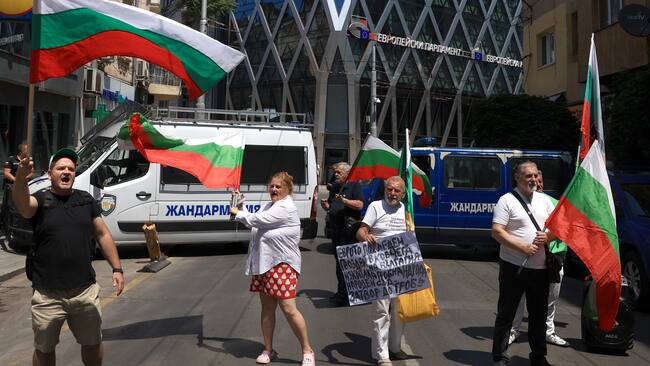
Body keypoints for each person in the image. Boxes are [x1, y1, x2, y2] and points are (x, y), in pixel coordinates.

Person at [12, 147, 125, 366]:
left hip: (84, 291)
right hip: (47, 295)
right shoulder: (41, 201)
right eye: (61, 168)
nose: (66, 172)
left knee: (92, 343)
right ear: (50, 173)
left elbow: (102, 234)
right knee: (44, 349)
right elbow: (23, 205)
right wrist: (20, 179)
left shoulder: (86, 201)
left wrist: (117, 269)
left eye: (71, 169)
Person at [231, 171, 315, 366]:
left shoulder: (285, 207)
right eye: (272, 186)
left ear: (287, 190)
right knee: (267, 309)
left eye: (279, 186)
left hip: (283, 264)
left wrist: (237, 212)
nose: (274, 189)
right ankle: (268, 350)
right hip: (264, 264)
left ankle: (307, 350)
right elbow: (255, 221)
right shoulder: (270, 205)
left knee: (289, 309)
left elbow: (258, 221)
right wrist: (240, 205)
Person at [491, 161, 556, 366]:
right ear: (517, 178)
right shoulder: (506, 200)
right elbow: (497, 231)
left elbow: (557, 229)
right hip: (513, 267)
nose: (534, 180)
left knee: (538, 315)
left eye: (536, 175)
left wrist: (549, 238)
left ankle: (538, 356)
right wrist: (522, 247)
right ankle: (499, 356)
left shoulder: (545, 201)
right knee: (506, 314)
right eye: (528, 176)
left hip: (541, 269)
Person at [509, 171, 569, 348]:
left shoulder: (557, 205)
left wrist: (550, 239)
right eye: (535, 180)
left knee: (551, 298)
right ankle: (513, 330)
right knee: (519, 297)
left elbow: (565, 230)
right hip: (525, 259)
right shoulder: (519, 202)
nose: (538, 183)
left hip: (553, 260)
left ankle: (548, 332)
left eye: (541, 181)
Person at [355, 176, 410, 366]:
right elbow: (360, 231)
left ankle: (395, 348)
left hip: (401, 268)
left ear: (403, 193)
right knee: (381, 312)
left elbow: (411, 236)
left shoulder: (406, 209)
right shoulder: (376, 207)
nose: (393, 193)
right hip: (378, 267)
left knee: (399, 311)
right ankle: (382, 355)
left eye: (397, 190)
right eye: (390, 189)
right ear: (385, 190)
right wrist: (366, 236)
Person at [319, 162, 364, 306]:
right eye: (335, 172)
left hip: (348, 231)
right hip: (336, 230)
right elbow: (333, 205)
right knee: (339, 264)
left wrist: (344, 200)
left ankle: (346, 295)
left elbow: (360, 205)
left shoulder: (354, 185)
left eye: (338, 172)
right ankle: (342, 292)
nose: (335, 175)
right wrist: (327, 207)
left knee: (347, 263)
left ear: (347, 173)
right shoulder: (336, 186)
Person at [2, 143, 30, 231]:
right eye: (27, 150)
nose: (28, 151)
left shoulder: (28, 160)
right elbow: (6, 173)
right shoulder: (11, 159)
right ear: (22, 151)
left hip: (23, 187)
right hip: (11, 187)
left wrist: (25, 179)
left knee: (19, 206)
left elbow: (31, 172)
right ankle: (5, 227)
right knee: (9, 206)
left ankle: (17, 226)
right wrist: (17, 181)